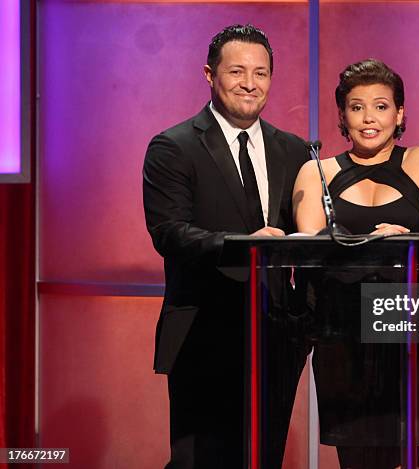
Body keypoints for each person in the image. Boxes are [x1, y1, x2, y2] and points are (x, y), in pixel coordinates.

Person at [143, 24, 309, 469]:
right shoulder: (172, 147)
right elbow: (169, 233)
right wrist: (244, 246)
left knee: (264, 457)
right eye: (237, 71)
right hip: (203, 329)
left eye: (261, 73)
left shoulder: (295, 151)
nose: (250, 83)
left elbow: (308, 238)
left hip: (276, 334)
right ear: (209, 74)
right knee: (200, 459)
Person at [292, 59, 419, 468]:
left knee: (403, 451)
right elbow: (311, 244)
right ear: (342, 117)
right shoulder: (318, 170)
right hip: (341, 323)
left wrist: (408, 240)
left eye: (381, 106)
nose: (369, 118)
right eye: (356, 107)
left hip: (405, 318)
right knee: (355, 456)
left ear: (400, 113)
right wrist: (364, 243)